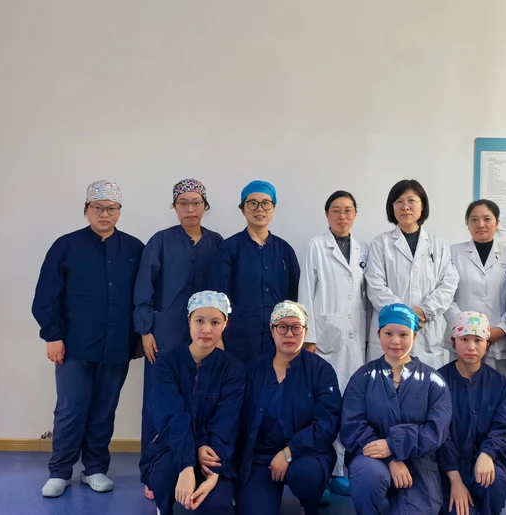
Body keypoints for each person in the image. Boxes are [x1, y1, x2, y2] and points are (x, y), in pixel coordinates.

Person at [32, 180, 144, 497]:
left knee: (104, 410)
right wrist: (53, 336)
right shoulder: (65, 246)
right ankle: (60, 471)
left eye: (111, 208)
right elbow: (45, 296)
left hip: (117, 345)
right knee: (71, 409)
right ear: (86, 210)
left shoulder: (135, 249)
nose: (104, 213)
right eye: (98, 207)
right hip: (73, 345)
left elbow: (144, 296)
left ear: (119, 212)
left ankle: (95, 469)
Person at [134, 178, 224, 499]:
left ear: (205, 206)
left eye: (196, 203)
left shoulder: (216, 243)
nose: (190, 209)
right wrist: (145, 331)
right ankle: (153, 469)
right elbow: (143, 288)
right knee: (158, 401)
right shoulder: (160, 241)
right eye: (183, 203)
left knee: (200, 400)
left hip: (206, 337)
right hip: (165, 335)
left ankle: (196, 465)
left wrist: (220, 332)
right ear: (174, 206)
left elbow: (223, 292)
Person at [341, 303, 452, 514]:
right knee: (367, 476)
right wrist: (390, 458)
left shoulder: (433, 381)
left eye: (403, 334)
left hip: (418, 462)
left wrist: (393, 444)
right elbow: (352, 424)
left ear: (415, 336)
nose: (395, 341)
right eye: (388, 333)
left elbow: (437, 431)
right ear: (378, 334)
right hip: (371, 456)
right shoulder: (363, 377)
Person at [142, 291, 245, 515]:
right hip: (172, 448)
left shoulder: (233, 370)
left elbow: (227, 422)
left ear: (225, 324)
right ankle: (164, 505)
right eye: (199, 321)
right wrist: (187, 465)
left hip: (213, 451)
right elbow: (172, 417)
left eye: (215, 322)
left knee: (216, 506)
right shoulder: (166, 365)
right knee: (163, 476)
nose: (206, 329)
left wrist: (213, 468)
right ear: (189, 321)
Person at [235, 301, 341, 515]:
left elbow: (327, 423)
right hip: (261, 457)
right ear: (272, 331)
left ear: (305, 331)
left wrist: (289, 452)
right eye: (282, 327)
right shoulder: (254, 370)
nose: (289, 334)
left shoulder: (321, 371)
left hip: (306, 455)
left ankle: (309, 504)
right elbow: (238, 419)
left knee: (306, 477)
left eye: (296, 327)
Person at [298, 189, 369, 495]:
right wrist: (308, 337)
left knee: (351, 405)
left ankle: (341, 469)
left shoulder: (364, 250)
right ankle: (322, 471)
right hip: (324, 340)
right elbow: (306, 290)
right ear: (327, 215)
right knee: (324, 405)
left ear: (355, 214)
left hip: (356, 339)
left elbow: (366, 296)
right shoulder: (316, 246)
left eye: (348, 210)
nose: (342, 216)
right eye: (336, 210)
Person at [365, 179, 458, 369]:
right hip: (391, 331)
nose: (405, 207)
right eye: (399, 201)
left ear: (422, 206)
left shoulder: (438, 244)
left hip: (427, 334)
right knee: (388, 383)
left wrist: (424, 311)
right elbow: (375, 285)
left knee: (425, 385)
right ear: (392, 208)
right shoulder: (380, 244)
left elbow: (448, 285)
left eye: (411, 201)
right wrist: (404, 315)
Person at [207, 180, 300, 365]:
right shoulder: (229, 249)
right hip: (238, 341)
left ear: (273, 208)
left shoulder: (284, 250)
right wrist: (217, 338)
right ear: (243, 209)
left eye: (266, 203)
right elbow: (216, 297)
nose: (260, 209)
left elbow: (295, 297)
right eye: (252, 203)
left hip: (278, 340)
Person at [437, 311, 506, 515]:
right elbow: (438, 431)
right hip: (447, 467)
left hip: (489, 462)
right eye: (464, 339)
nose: (471, 347)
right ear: (453, 341)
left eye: (478, 340)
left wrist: (488, 453)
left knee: (495, 483)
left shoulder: (500, 385)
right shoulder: (438, 382)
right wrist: (455, 478)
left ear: (487, 344)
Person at [445, 200, 506, 377]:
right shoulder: (452, 253)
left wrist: (501, 329)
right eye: (474, 219)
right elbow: (446, 295)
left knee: (496, 387)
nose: (481, 224)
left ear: (497, 223)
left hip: (497, 338)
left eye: (487, 219)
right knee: (460, 385)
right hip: (462, 338)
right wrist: (466, 328)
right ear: (468, 223)